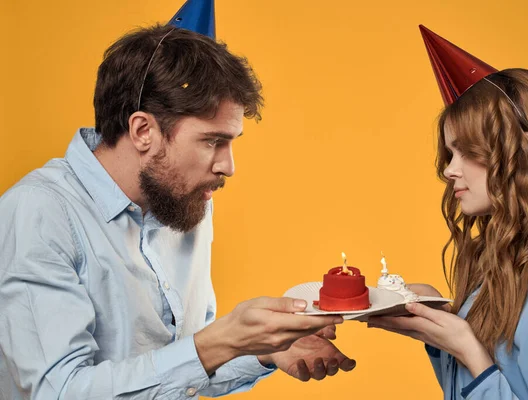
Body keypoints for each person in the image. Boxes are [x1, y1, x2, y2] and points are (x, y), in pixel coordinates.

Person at [0, 1, 355, 398]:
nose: (228, 166)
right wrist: (220, 342)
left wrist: (262, 350)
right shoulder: (39, 213)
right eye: (212, 141)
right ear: (142, 131)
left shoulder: (184, 202)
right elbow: (58, 391)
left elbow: (179, 369)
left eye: (231, 142)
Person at [368, 25, 528, 399]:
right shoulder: (500, 273)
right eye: (450, 153)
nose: (449, 170)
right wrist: (442, 324)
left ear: (525, 151)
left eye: (466, 151)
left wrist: (470, 350)